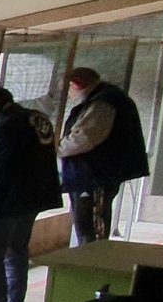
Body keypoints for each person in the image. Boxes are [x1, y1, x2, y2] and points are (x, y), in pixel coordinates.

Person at [0, 86, 63, 302]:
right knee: (16, 251)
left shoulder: (7, 125)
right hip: (33, 196)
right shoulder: (35, 117)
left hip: (5, 198)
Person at [59, 67, 150, 244]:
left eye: (66, 89)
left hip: (95, 175)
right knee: (85, 224)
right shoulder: (106, 97)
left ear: (77, 84)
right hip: (93, 174)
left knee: (92, 227)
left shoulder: (103, 102)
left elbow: (84, 138)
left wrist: (56, 148)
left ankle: (94, 258)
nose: (67, 95)